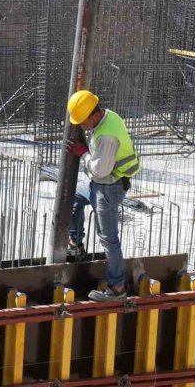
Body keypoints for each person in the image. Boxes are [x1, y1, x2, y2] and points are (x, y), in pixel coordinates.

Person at [65, 89, 141, 302]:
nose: (82, 126)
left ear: (95, 114)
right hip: (100, 185)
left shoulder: (107, 137)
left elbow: (100, 171)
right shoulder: (108, 116)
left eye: (83, 122)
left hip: (109, 188)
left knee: (108, 239)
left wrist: (83, 153)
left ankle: (117, 288)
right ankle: (75, 244)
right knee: (73, 197)